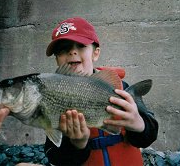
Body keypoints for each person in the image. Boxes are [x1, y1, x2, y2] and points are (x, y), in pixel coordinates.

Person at [44, 17, 158, 166]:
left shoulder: (121, 89)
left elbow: (148, 136)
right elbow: (56, 158)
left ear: (95, 53)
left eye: (81, 45)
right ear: (56, 59)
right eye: (62, 49)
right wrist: (78, 143)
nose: (72, 52)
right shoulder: (53, 96)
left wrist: (139, 124)